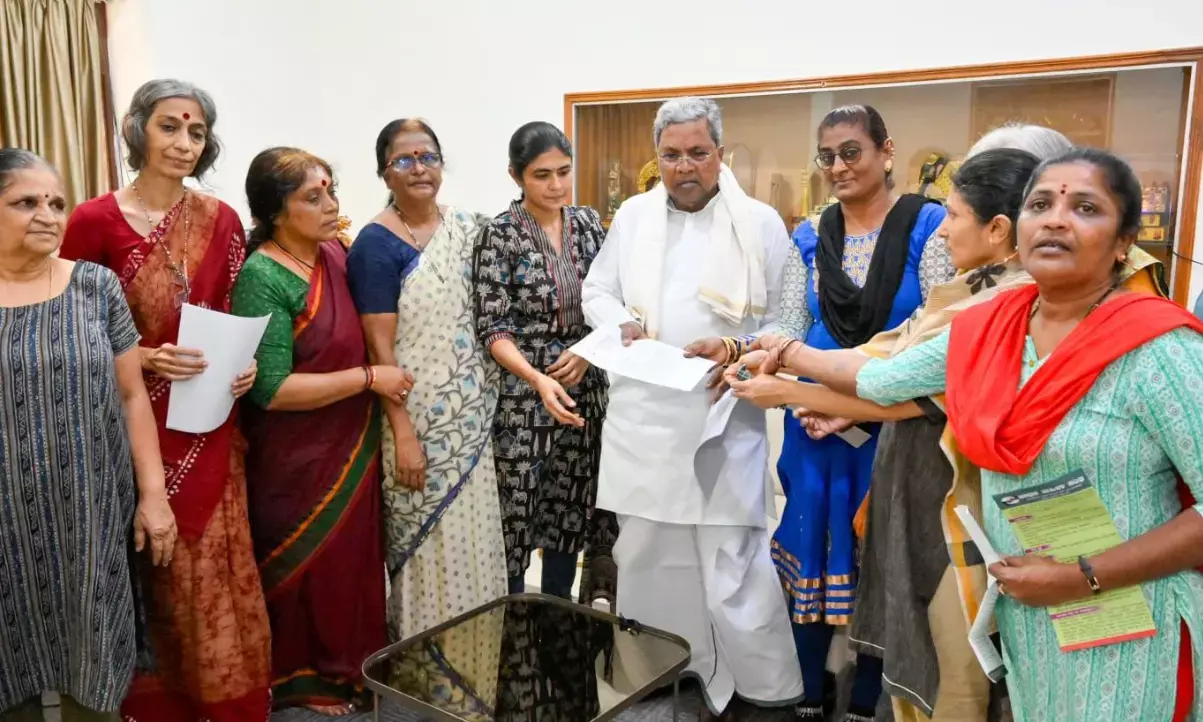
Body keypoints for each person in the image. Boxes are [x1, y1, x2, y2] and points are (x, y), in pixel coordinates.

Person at [739, 147, 1203, 722]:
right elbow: (881, 379)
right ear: (1017, 225)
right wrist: (774, 360)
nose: (1056, 220)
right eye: (1040, 204)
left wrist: (1080, 576)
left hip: (1128, 612)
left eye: (1085, 208)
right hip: (1032, 609)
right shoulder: (992, 326)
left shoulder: (1160, 349)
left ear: (1124, 240)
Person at [580, 97, 803, 719]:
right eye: (672, 155)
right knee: (646, 555)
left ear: (719, 154)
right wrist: (619, 322)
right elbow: (597, 289)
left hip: (723, 411)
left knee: (733, 561)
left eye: (698, 153)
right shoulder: (633, 216)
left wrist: (739, 351)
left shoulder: (759, 223)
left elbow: (787, 320)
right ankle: (660, 677)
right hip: (646, 417)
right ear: (658, 157)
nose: (685, 166)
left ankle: (763, 694)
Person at [59, 79, 271, 722]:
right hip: (129, 422)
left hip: (209, 418)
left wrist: (245, 362)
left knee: (215, 567)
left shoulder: (221, 219)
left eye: (197, 132)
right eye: (170, 127)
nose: (184, 143)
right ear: (137, 131)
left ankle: (225, 701)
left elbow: (231, 312)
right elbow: (66, 330)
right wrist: (145, 357)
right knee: (152, 564)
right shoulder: (92, 221)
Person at [766, 104, 952, 721]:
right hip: (814, 421)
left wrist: (857, 408)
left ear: (885, 150)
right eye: (827, 157)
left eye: (852, 152)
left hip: (892, 422)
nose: (839, 166)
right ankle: (807, 691)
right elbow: (789, 326)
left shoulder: (928, 226)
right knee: (811, 536)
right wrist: (755, 360)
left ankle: (869, 699)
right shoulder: (810, 235)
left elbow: (935, 330)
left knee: (880, 549)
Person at [231, 148, 412, 714]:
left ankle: (353, 665)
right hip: (296, 458)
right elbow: (271, 389)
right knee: (309, 563)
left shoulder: (336, 252)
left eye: (331, 190)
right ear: (275, 212)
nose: (331, 204)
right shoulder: (262, 275)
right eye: (313, 197)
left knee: (352, 562)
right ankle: (305, 677)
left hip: (353, 441)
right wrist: (368, 379)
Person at [0, 149, 175, 722]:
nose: (48, 215)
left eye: (56, 203)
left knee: (93, 669)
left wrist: (153, 497)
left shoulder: (95, 287)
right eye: (26, 202)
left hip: (89, 520)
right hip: (6, 528)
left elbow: (131, 397)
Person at [346, 119, 506, 642]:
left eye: (428, 157)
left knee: (475, 546)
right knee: (429, 553)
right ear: (384, 173)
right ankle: (426, 673)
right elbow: (381, 352)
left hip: (473, 423)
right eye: (404, 159)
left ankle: (478, 664)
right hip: (415, 425)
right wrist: (404, 435)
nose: (419, 168)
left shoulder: (470, 229)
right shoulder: (374, 246)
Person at [472, 121, 608, 599]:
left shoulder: (588, 224)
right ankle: (514, 623)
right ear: (516, 176)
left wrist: (588, 352)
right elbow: (493, 327)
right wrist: (535, 378)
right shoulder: (499, 235)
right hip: (524, 399)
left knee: (570, 511)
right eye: (541, 175)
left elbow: (611, 303)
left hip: (584, 388)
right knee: (517, 515)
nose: (556, 185)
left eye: (563, 172)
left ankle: (560, 614)